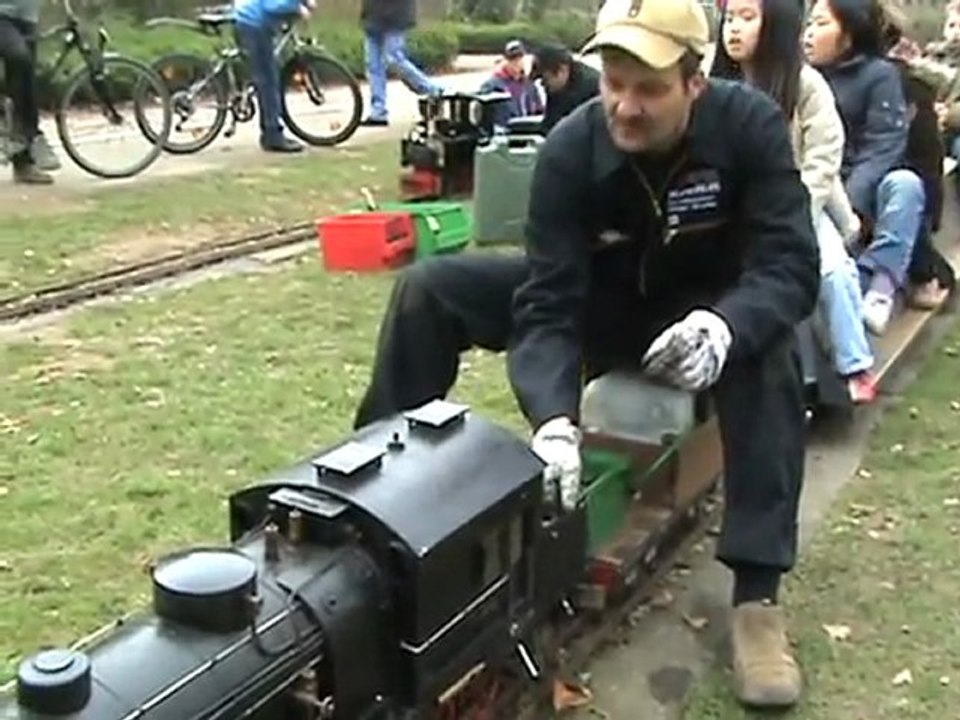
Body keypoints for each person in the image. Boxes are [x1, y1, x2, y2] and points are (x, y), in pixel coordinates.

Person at [353, 0, 818, 708]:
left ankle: (757, 599)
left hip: (707, 319)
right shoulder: (572, 148)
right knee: (433, 289)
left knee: (774, 348)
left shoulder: (748, 126)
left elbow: (789, 263)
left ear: (695, 82)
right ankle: (375, 498)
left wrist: (725, 327)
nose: (626, 107)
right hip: (609, 310)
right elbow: (549, 301)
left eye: (650, 89)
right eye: (615, 83)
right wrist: (552, 419)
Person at [712, 0, 877, 403]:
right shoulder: (710, 84)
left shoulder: (805, 85)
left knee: (831, 272)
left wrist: (795, 210)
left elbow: (823, 156)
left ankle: (854, 363)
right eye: (730, 18)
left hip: (799, 202)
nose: (734, 29)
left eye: (747, 18)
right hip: (730, 208)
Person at [804, 0, 925, 336]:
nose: (809, 34)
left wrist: (852, 205)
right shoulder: (802, 77)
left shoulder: (881, 75)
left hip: (863, 189)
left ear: (849, 33)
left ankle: (880, 287)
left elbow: (883, 144)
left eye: (821, 24)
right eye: (809, 24)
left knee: (906, 184)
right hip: (819, 186)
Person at [232, 0, 315, 153]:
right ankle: (272, 134)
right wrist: (297, 8)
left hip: (248, 20)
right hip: (254, 24)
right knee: (268, 81)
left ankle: (270, 131)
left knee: (266, 75)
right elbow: (273, 5)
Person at [0, 0, 60, 184]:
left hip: (27, 17)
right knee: (20, 58)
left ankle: (24, 163)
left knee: (27, 86)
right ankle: (20, 129)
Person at [359, 0, 443, 127]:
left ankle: (433, 91)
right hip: (373, 14)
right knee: (373, 65)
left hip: (395, 16)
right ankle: (378, 111)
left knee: (394, 58)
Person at [531, 42, 600, 134]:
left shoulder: (592, 87)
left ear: (561, 70)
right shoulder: (556, 90)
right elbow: (550, 124)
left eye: (545, 79)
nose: (542, 84)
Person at [478, 40, 544, 130]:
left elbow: (539, 111)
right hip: (503, 134)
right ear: (505, 60)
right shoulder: (491, 86)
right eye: (512, 59)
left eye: (519, 58)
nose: (516, 63)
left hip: (527, 132)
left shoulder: (530, 86)